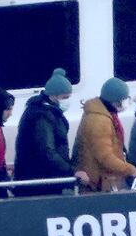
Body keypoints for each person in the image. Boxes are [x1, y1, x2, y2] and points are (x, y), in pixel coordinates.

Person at [14, 68, 88, 196]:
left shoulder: (46, 112)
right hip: (40, 182)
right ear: (54, 95)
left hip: (44, 180)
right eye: (65, 97)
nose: (67, 100)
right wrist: (71, 171)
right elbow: (47, 151)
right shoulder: (42, 116)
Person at [74, 77, 136, 191]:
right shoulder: (100, 121)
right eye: (124, 99)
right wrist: (132, 170)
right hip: (98, 185)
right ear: (115, 101)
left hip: (99, 182)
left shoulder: (100, 115)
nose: (126, 102)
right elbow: (105, 157)